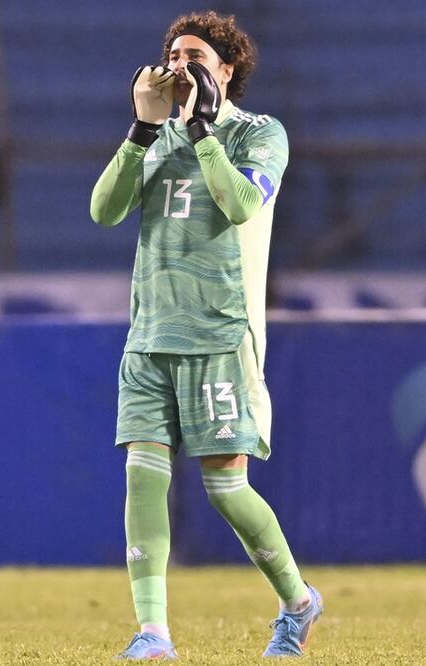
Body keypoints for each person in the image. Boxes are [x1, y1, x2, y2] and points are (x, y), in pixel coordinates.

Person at [89, 10, 322, 660]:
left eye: (192, 57)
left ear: (225, 69)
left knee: (226, 491)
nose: (177, 68)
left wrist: (199, 129)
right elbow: (103, 210)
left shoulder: (258, 133)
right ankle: (153, 632)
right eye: (170, 56)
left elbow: (240, 204)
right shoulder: (155, 136)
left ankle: (298, 602)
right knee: (142, 477)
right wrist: (141, 129)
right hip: (149, 334)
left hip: (220, 333)